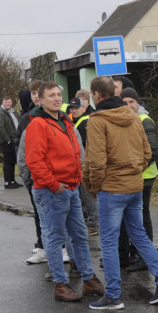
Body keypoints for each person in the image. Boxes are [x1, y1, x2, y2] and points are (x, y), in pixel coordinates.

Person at [84, 77, 158, 310]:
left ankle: (113, 295)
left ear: (96, 95)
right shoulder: (132, 116)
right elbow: (146, 152)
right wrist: (134, 172)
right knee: (139, 236)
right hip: (134, 187)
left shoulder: (97, 120)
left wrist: (94, 187)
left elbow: (95, 160)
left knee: (109, 243)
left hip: (111, 189)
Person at [23, 81, 105, 303]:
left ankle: (88, 279)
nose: (57, 99)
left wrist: (76, 180)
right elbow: (34, 161)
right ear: (41, 99)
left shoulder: (65, 120)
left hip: (71, 187)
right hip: (52, 191)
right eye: (51, 95)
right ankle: (60, 284)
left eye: (59, 94)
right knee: (54, 237)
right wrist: (53, 184)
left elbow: (75, 152)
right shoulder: (37, 124)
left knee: (79, 234)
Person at [119, 88, 158, 271]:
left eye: (131, 102)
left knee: (143, 217)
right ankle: (134, 253)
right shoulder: (123, 121)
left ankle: (144, 257)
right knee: (132, 219)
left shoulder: (144, 121)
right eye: (124, 102)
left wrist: (135, 169)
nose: (128, 106)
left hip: (144, 177)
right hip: (130, 178)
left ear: (137, 103)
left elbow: (152, 152)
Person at [17, 84, 48, 263]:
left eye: (39, 93)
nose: (36, 97)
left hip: (53, 178)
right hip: (34, 177)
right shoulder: (26, 118)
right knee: (39, 213)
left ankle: (59, 248)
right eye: (34, 94)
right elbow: (20, 148)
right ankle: (42, 245)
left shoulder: (60, 118)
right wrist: (26, 176)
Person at [67, 97, 98, 235]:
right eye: (72, 108)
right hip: (79, 164)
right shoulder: (75, 122)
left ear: (83, 108)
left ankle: (93, 224)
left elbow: (85, 146)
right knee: (83, 197)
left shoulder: (86, 122)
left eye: (76, 108)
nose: (74, 111)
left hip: (85, 164)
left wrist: (85, 165)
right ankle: (89, 222)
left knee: (87, 196)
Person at [0, 96, 21, 189]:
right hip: (7, 141)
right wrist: (7, 139)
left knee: (12, 161)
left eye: (9, 102)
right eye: (6, 102)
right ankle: (7, 182)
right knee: (7, 162)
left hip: (15, 140)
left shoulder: (13, 112)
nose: (8, 104)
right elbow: (0, 127)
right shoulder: (0, 113)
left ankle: (13, 181)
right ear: (2, 102)